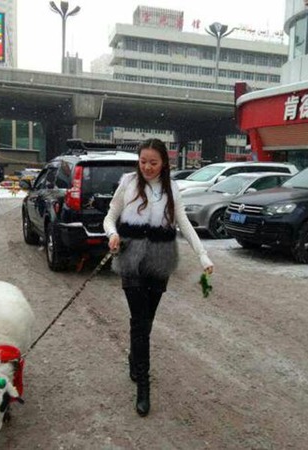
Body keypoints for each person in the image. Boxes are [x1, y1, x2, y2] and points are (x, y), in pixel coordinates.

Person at [103, 138, 214, 417]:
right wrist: (112, 234)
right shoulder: (128, 182)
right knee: (141, 322)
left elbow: (184, 224)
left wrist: (202, 255)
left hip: (159, 262)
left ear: (164, 163)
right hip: (130, 260)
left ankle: (134, 358)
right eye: (143, 162)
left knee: (145, 322)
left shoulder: (171, 188)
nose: (147, 167)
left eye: (153, 162)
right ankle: (143, 386)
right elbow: (110, 216)